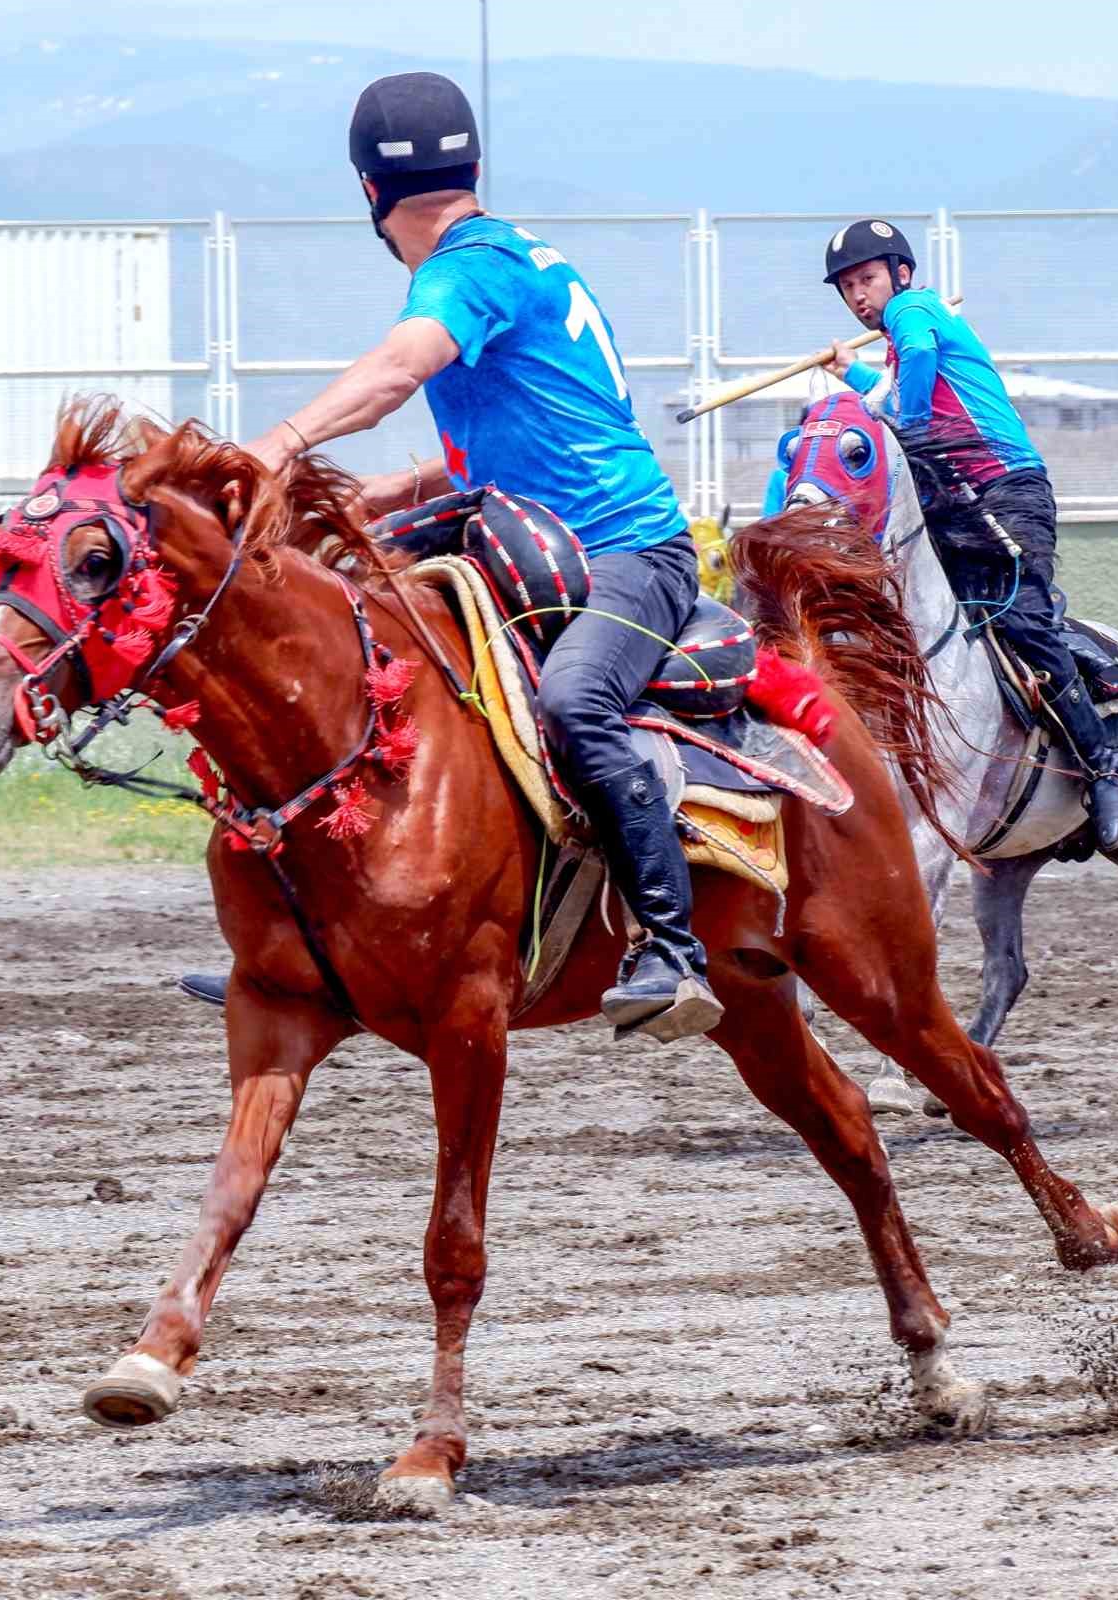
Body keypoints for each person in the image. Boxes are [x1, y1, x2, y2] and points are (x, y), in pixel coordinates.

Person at [180, 72, 719, 1042]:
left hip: (632, 553)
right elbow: (517, 442)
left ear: (367, 194)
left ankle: (673, 949)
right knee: (335, 633)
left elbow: (396, 370)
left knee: (573, 702)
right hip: (526, 538)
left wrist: (275, 446)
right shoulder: (519, 259)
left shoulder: (464, 269)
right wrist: (380, 498)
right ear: (471, 166)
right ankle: (300, 944)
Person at [817, 219, 1118, 851]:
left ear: (900, 274)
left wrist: (899, 420)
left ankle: (1103, 769)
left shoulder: (913, 310)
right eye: (847, 286)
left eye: (867, 279)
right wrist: (853, 374)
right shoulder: (907, 337)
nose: (858, 295)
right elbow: (901, 394)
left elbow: (915, 386)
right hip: (958, 497)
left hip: (1006, 488)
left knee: (1019, 621)